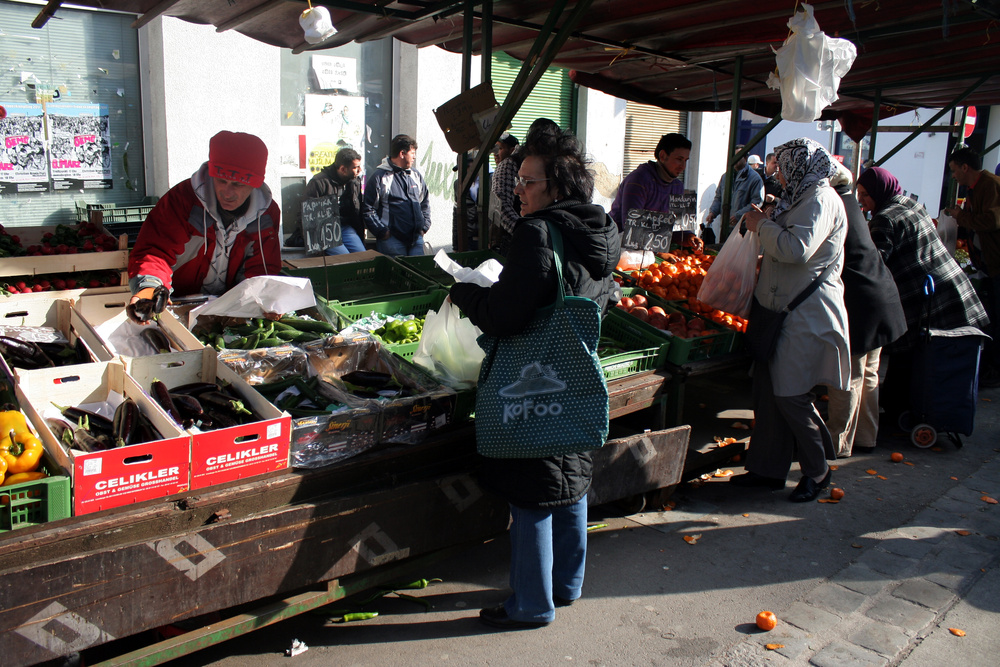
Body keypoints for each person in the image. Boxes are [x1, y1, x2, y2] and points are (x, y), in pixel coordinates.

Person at [449, 124, 620, 629]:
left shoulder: (538, 232)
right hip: (577, 371)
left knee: (531, 490)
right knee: (568, 479)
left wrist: (466, 294)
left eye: (527, 181)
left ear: (558, 186)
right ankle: (566, 586)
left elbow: (507, 314)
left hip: (535, 377)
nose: (516, 190)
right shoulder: (600, 231)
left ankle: (530, 604)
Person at [730, 137, 850, 502]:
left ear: (800, 165)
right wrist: (764, 218)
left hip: (805, 315)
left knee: (791, 395)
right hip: (777, 311)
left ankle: (818, 470)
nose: (778, 172)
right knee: (768, 394)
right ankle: (767, 469)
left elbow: (797, 250)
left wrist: (761, 226)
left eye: (783, 165)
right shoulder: (797, 197)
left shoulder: (820, 199)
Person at [857, 166, 990, 426]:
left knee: (915, 351)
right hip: (948, 284)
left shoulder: (885, 219)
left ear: (879, 191)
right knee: (925, 352)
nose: (860, 200)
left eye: (864, 194)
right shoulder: (909, 203)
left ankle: (903, 410)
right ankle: (909, 407)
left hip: (928, 294)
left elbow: (874, 264)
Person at [128, 130, 281, 311]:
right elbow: (155, 251)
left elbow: (261, 269)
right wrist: (150, 286)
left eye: (238, 184)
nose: (227, 192)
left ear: (255, 184)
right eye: (221, 181)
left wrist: (259, 300)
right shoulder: (182, 201)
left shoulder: (267, 214)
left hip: (231, 308)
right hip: (175, 302)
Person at [825, 163, 907, 457]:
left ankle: (838, 443)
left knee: (847, 376)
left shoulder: (831, 205)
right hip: (882, 296)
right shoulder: (852, 207)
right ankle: (866, 438)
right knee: (869, 374)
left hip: (863, 305)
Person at [944, 146, 1000, 382]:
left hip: (997, 263)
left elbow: (992, 221)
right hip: (987, 262)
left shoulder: (990, 185)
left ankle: (994, 370)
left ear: (965, 167)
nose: (953, 176)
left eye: (954, 170)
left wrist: (960, 216)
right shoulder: (974, 189)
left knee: (997, 319)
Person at [362, 134, 430, 257]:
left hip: (416, 239)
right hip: (392, 241)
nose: (414, 157)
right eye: (412, 153)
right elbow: (368, 209)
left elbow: (424, 203)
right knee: (396, 275)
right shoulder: (380, 177)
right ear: (402, 154)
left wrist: (424, 227)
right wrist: (383, 232)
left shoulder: (415, 175)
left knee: (418, 274)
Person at [609, 132, 692, 233]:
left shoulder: (677, 186)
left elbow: (680, 227)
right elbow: (631, 228)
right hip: (620, 243)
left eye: (686, 160)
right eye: (679, 159)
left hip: (656, 245)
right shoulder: (638, 181)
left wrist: (689, 237)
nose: (683, 166)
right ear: (662, 156)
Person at [303, 147, 365, 255]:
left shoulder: (354, 181)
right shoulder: (319, 182)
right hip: (326, 231)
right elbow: (306, 214)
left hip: (345, 227)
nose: (360, 170)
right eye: (355, 167)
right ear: (343, 169)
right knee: (344, 259)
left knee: (364, 256)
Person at [705, 144, 765, 229]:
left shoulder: (754, 179)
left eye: (737, 156)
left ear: (745, 158)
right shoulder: (725, 177)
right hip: (725, 227)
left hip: (743, 228)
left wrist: (739, 215)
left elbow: (757, 202)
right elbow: (718, 197)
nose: (734, 159)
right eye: (732, 156)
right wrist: (713, 212)